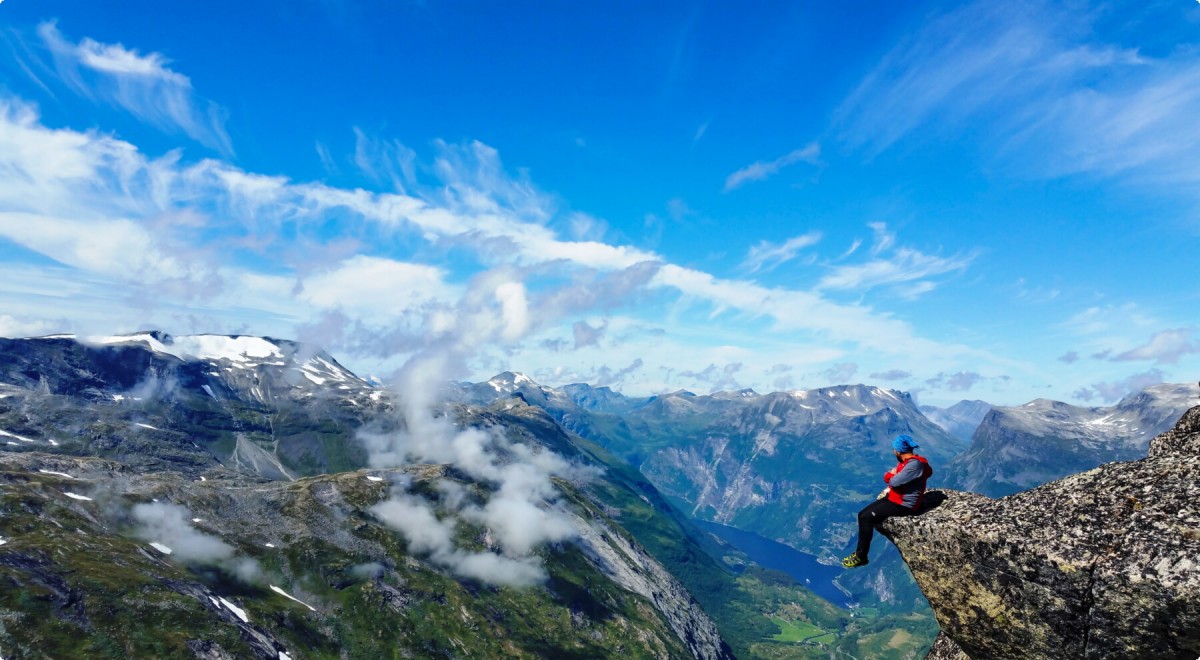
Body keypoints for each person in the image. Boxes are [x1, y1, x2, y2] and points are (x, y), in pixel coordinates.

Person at [842, 434, 932, 568]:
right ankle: (859, 554)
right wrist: (893, 475)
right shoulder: (908, 463)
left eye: (894, 449)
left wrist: (891, 474)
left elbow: (893, 481)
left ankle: (861, 557)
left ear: (899, 451)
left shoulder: (914, 465)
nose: (893, 452)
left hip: (904, 504)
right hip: (895, 498)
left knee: (867, 518)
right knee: (862, 515)